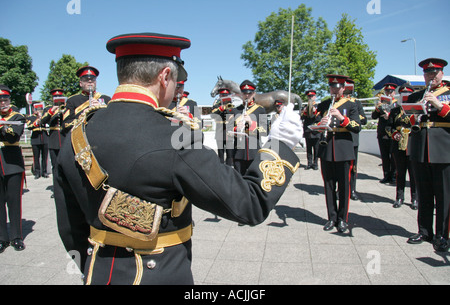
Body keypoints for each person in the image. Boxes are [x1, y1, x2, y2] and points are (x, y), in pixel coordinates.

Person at [54, 32, 302, 284]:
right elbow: (250, 204)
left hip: (98, 273)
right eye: (176, 80)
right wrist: (280, 144)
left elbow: (69, 227)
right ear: (164, 77)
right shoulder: (176, 137)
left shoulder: (79, 131)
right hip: (160, 274)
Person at [406, 58, 450, 252]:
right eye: (427, 73)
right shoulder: (417, 95)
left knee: (443, 195)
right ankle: (424, 231)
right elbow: (409, 120)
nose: (430, 76)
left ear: (441, 73)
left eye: (434, 73)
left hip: (443, 148)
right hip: (420, 147)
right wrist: (412, 114)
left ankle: (442, 235)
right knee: (424, 193)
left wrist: (439, 106)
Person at [316, 75, 361, 233]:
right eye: (332, 87)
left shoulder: (351, 105)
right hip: (326, 149)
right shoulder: (324, 105)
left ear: (343, 88)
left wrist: (342, 118)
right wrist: (320, 124)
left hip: (344, 149)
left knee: (344, 187)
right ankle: (331, 217)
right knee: (328, 186)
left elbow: (357, 126)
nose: (334, 89)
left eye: (338, 87)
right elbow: (313, 122)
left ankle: (342, 219)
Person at [0, 85, 26, 252]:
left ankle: (16, 237)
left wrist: (3, 126)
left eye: (6, 100)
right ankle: (2, 238)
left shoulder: (17, 116)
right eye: (0, 100)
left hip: (12, 164)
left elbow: (12, 136)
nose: (3, 102)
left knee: (14, 202)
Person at [385, 84, 417, 209]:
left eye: (408, 95)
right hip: (398, 144)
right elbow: (388, 127)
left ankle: (415, 198)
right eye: (403, 95)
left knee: (413, 173)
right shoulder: (395, 110)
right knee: (400, 172)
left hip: (412, 143)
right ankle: (399, 197)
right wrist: (394, 134)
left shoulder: (416, 108)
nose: (405, 97)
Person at [231, 80, 268, 175]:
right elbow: (228, 131)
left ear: (254, 93)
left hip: (254, 152)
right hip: (238, 152)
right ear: (241, 94)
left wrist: (252, 124)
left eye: (250, 93)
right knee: (239, 180)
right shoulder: (235, 110)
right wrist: (236, 129)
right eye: (244, 93)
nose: (247, 96)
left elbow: (265, 131)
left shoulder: (260, 110)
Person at [62, 65, 111, 134]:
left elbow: (112, 119)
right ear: (80, 83)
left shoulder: (106, 98)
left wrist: (101, 108)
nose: (90, 81)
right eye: (86, 80)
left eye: (93, 79)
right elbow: (65, 125)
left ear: (95, 82)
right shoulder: (72, 100)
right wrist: (83, 115)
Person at [344, 79, 367, 200]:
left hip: (353, 138)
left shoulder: (356, 102)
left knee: (353, 167)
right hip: (341, 139)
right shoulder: (338, 102)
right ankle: (341, 190)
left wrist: (352, 117)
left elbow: (363, 119)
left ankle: (352, 189)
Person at [40, 88, 66, 198]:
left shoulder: (66, 107)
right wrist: (52, 111)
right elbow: (42, 121)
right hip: (54, 140)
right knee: (55, 167)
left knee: (66, 166)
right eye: (55, 98)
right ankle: (57, 190)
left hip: (64, 138)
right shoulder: (48, 109)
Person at [372, 83, 397, 184]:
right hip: (382, 132)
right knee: (385, 156)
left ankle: (394, 176)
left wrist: (389, 116)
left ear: (394, 93)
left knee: (394, 156)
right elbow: (374, 116)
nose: (389, 93)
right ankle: (386, 175)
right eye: (387, 92)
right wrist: (378, 108)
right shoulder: (381, 104)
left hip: (392, 132)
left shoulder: (396, 104)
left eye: (390, 92)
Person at [211, 88, 235, 165]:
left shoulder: (232, 104)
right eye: (222, 95)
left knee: (230, 154)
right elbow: (213, 115)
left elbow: (234, 114)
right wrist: (221, 108)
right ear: (220, 95)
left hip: (229, 131)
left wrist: (228, 107)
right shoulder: (217, 105)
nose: (224, 96)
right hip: (220, 131)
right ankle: (221, 168)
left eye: (226, 95)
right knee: (220, 153)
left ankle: (229, 168)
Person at [26, 102, 49, 179]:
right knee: (36, 157)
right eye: (36, 108)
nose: (38, 110)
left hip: (44, 137)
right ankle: (37, 172)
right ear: (33, 109)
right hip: (35, 138)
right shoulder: (30, 117)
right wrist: (37, 120)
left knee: (44, 156)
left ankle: (44, 172)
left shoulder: (44, 116)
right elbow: (29, 126)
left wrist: (41, 117)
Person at [301, 89, 321, 170]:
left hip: (316, 131)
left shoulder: (318, 107)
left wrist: (314, 112)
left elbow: (319, 118)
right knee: (309, 149)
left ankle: (315, 163)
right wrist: (305, 112)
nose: (310, 97)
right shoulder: (304, 107)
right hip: (308, 131)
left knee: (316, 149)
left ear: (315, 97)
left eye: (312, 96)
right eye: (309, 96)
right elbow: (301, 118)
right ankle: (309, 163)